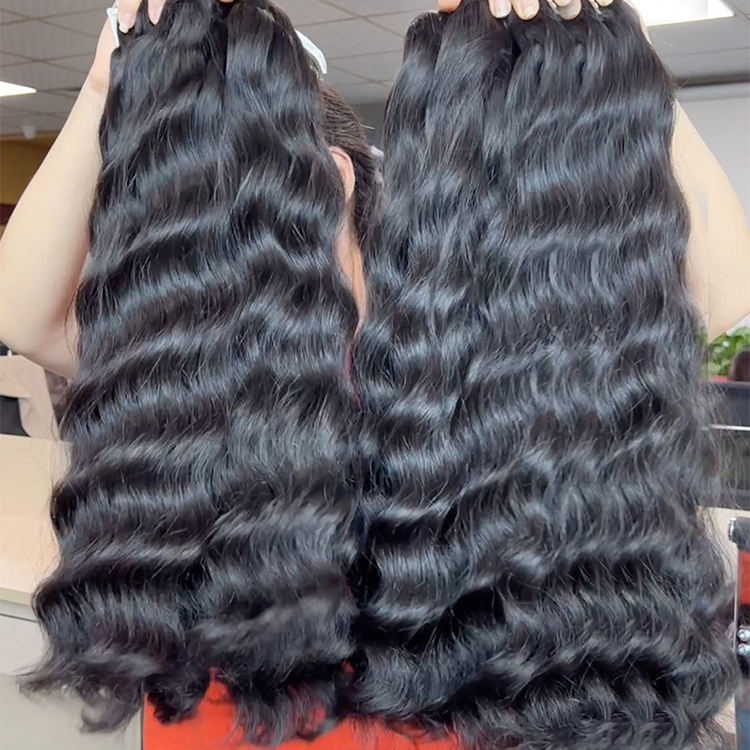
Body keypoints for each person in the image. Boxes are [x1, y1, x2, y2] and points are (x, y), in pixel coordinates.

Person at [0, 2, 747, 749]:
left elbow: (722, 293)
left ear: (335, 177)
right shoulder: (212, 370)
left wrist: (619, 54)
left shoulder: (482, 353)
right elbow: (22, 316)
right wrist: (103, 87)